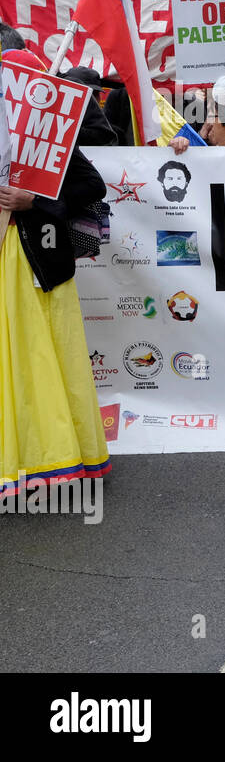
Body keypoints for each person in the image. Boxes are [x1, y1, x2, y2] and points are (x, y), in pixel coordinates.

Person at [0, 60, 111, 493]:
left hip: (33, 261)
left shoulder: (44, 130)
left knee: (36, 359)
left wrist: (35, 199)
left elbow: (91, 186)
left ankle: (49, 457)